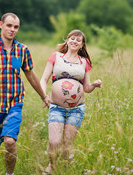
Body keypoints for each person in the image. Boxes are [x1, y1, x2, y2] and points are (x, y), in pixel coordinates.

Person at [0, 12, 50, 175]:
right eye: (9, 25)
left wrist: (43, 96)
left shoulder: (22, 50)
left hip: (14, 104)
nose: (12, 29)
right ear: (1, 25)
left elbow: (30, 74)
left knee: (9, 141)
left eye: (16, 27)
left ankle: (10, 174)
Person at [40, 29, 102, 174]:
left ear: (82, 45)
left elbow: (86, 88)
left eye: (78, 40)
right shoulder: (56, 56)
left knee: (67, 145)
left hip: (77, 110)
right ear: (67, 40)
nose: (75, 41)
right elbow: (44, 79)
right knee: (54, 142)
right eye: (72, 38)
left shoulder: (84, 62)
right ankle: (52, 165)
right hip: (56, 107)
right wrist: (44, 95)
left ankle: (65, 168)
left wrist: (94, 84)